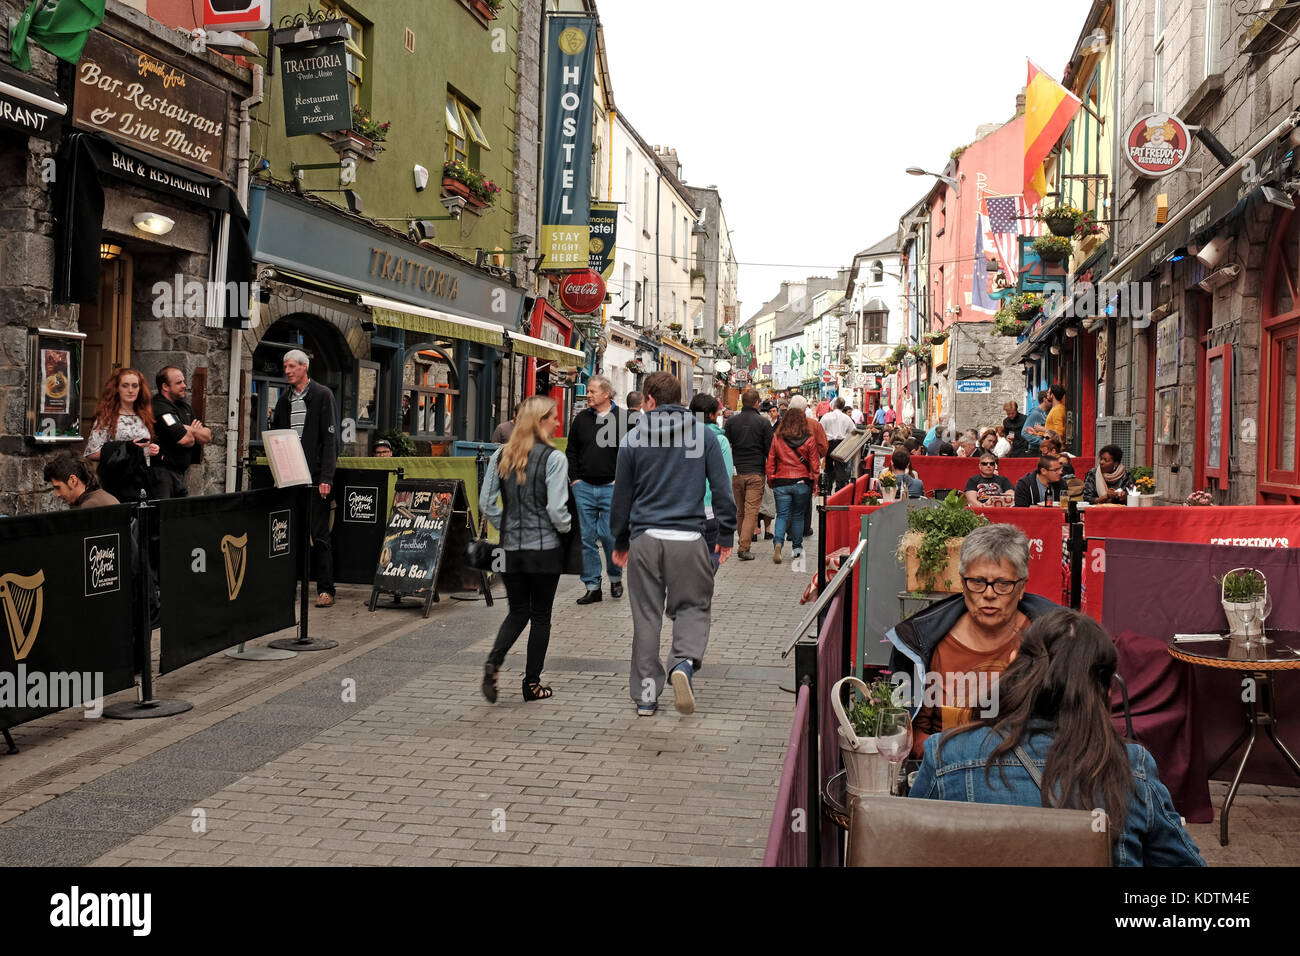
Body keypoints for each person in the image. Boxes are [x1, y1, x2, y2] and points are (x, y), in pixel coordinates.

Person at [910, 608, 1205, 867]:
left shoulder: (947, 755)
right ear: (1105, 690)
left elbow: (906, 850)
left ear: (1016, 665)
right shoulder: (1131, 767)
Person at [611, 372, 736, 717]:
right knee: (693, 608)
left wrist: (620, 541)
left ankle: (647, 697)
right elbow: (723, 492)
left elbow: (621, 498)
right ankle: (682, 663)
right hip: (688, 538)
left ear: (649, 400)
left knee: (647, 617)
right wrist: (726, 536)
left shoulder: (633, 439)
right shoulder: (703, 435)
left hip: (646, 539)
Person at [887, 523, 1061, 755]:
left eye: (1002, 584)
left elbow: (1068, 728)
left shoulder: (1054, 641)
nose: (989, 594)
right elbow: (909, 731)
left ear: (1021, 588)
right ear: (962, 584)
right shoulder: (923, 644)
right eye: (977, 582)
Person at [479, 396, 572, 704]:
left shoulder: (501, 455)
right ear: (540, 421)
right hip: (544, 549)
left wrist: (505, 523)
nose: (557, 423)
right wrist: (566, 530)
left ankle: (494, 660)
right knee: (541, 616)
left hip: (510, 548)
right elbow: (558, 511)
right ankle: (532, 683)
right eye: (553, 418)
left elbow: (485, 503)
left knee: (518, 611)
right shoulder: (554, 459)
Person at [270, 349, 340, 608]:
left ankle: (325, 589)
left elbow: (331, 441)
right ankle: (290, 586)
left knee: (319, 535)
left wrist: (326, 477)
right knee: (290, 535)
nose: (286, 371)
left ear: (304, 367)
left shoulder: (322, 395)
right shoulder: (283, 400)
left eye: (291, 366)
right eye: (284, 366)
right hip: (290, 477)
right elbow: (276, 438)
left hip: (314, 478)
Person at [566, 375, 626, 604]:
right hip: (584, 488)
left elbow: (633, 454)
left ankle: (615, 576)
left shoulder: (624, 419)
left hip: (613, 487)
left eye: (592, 391)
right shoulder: (581, 419)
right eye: (588, 391)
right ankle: (592, 586)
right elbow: (571, 451)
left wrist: (622, 481)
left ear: (606, 394)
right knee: (585, 538)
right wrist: (575, 479)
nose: (588, 395)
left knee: (609, 535)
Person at [85, 368, 158, 503]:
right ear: (117, 388)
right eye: (125, 385)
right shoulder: (106, 418)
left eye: (135, 386)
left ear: (140, 389)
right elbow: (92, 452)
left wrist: (149, 449)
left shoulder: (144, 415)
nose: (130, 390)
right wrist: (127, 447)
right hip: (116, 481)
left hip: (141, 480)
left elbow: (141, 449)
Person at [766, 394, 819, 564]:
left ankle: (778, 543)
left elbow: (771, 459)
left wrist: (771, 478)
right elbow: (815, 464)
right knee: (797, 516)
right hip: (802, 482)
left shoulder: (778, 437)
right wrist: (815, 482)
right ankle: (797, 549)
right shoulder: (809, 439)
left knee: (781, 515)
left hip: (781, 481)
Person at [724, 387, 772, 561]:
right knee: (751, 511)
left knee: (740, 511)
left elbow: (727, 445)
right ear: (757, 403)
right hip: (756, 472)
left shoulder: (731, 422)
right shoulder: (764, 423)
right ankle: (744, 547)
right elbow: (769, 450)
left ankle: (742, 542)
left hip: (737, 471)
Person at [150, 366, 212, 499]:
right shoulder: (159, 406)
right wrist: (194, 431)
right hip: (162, 474)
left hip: (180, 474)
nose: (184, 386)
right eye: (179, 383)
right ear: (165, 386)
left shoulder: (184, 406)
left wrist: (188, 428)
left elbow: (207, 436)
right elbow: (185, 440)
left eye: (184, 381)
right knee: (162, 515)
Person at [690, 393, 734, 571]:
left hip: (683, 511)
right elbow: (725, 480)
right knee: (706, 568)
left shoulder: (680, 436)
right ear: (710, 415)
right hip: (709, 511)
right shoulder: (720, 440)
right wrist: (727, 527)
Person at [44, 454, 118, 509]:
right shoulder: (104, 496)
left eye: (58, 487)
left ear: (73, 480)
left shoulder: (88, 507)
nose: (57, 494)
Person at [820, 397, 855, 493]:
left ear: (834, 405)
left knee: (828, 466)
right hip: (841, 444)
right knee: (841, 467)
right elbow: (853, 431)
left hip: (829, 444)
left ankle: (827, 488)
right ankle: (839, 490)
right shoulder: (847, 418)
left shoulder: (826, 416)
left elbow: (820, 431)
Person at [1023, 390, 1050, 455]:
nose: (1052, 403)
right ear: (1045, 400)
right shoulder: (1035, 413)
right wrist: (1042, 442)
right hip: (1036, 451)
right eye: (1050, 400)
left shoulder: (1045, 413)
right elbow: (1024, 433)